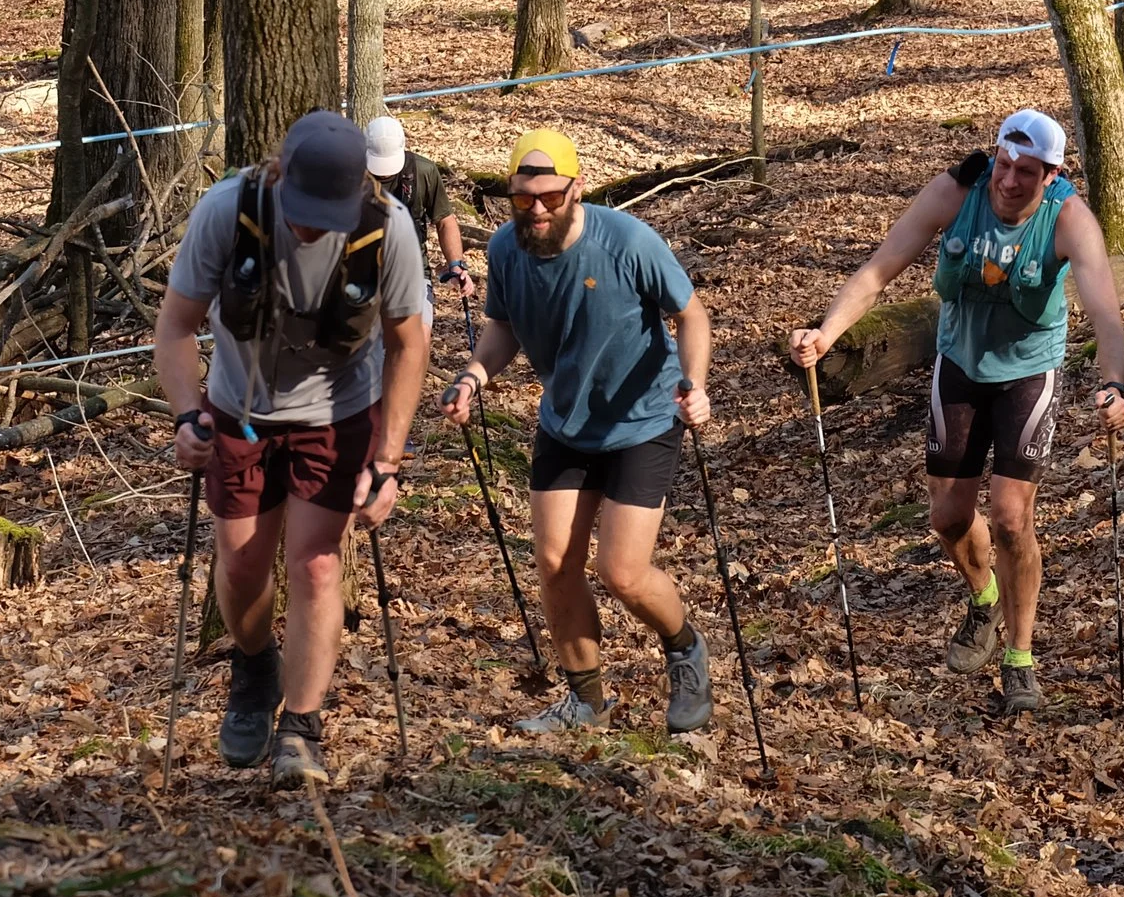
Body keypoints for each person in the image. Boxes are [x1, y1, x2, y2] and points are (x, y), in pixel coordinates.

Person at [787, 109, 1124, 715]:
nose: (1010, 181)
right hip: (959, 366)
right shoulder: (955, 192)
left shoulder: (1069, 219)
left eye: (1027, 172)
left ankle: (1020, 659)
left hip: (1028, 371)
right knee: (948, 517)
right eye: (1004, 164)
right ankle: (985, 599)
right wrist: (827, 332)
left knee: (1008, 518)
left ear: (1051, 175)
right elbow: (878, 270)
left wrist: (1112, 383)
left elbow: (1105, 311)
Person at [155, 111, 432, 787]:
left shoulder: (386, 227)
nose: (312, 227)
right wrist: (188, 414)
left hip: (336, 412)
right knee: (244, 567)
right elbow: (176, 325)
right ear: (281, 177)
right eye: (303, 211)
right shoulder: (229, 211)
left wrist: (387, 460)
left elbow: (410, 342)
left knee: (315, 567)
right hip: (239, 406)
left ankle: (301, 729)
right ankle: (255, 665)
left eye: (325, 215)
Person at [438, 128, 717, 735]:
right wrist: (472, 376)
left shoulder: (628, 242)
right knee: (555, 562)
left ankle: (685, 650)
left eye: (549, 197)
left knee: (622, 573)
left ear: (576, 189)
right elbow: (503, 326)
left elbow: (691, 316)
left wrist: (693, 386)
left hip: (643, 419)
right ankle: (586, 701)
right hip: (566, 422)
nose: (536, 210)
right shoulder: (508, 251)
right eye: (521, 199)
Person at [366, 115, 475, 300]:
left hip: (412, 270)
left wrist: (456, 265)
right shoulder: (349, 174)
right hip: (362, 273)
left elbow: (444, 221)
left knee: (420, 329)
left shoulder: (422, 171)